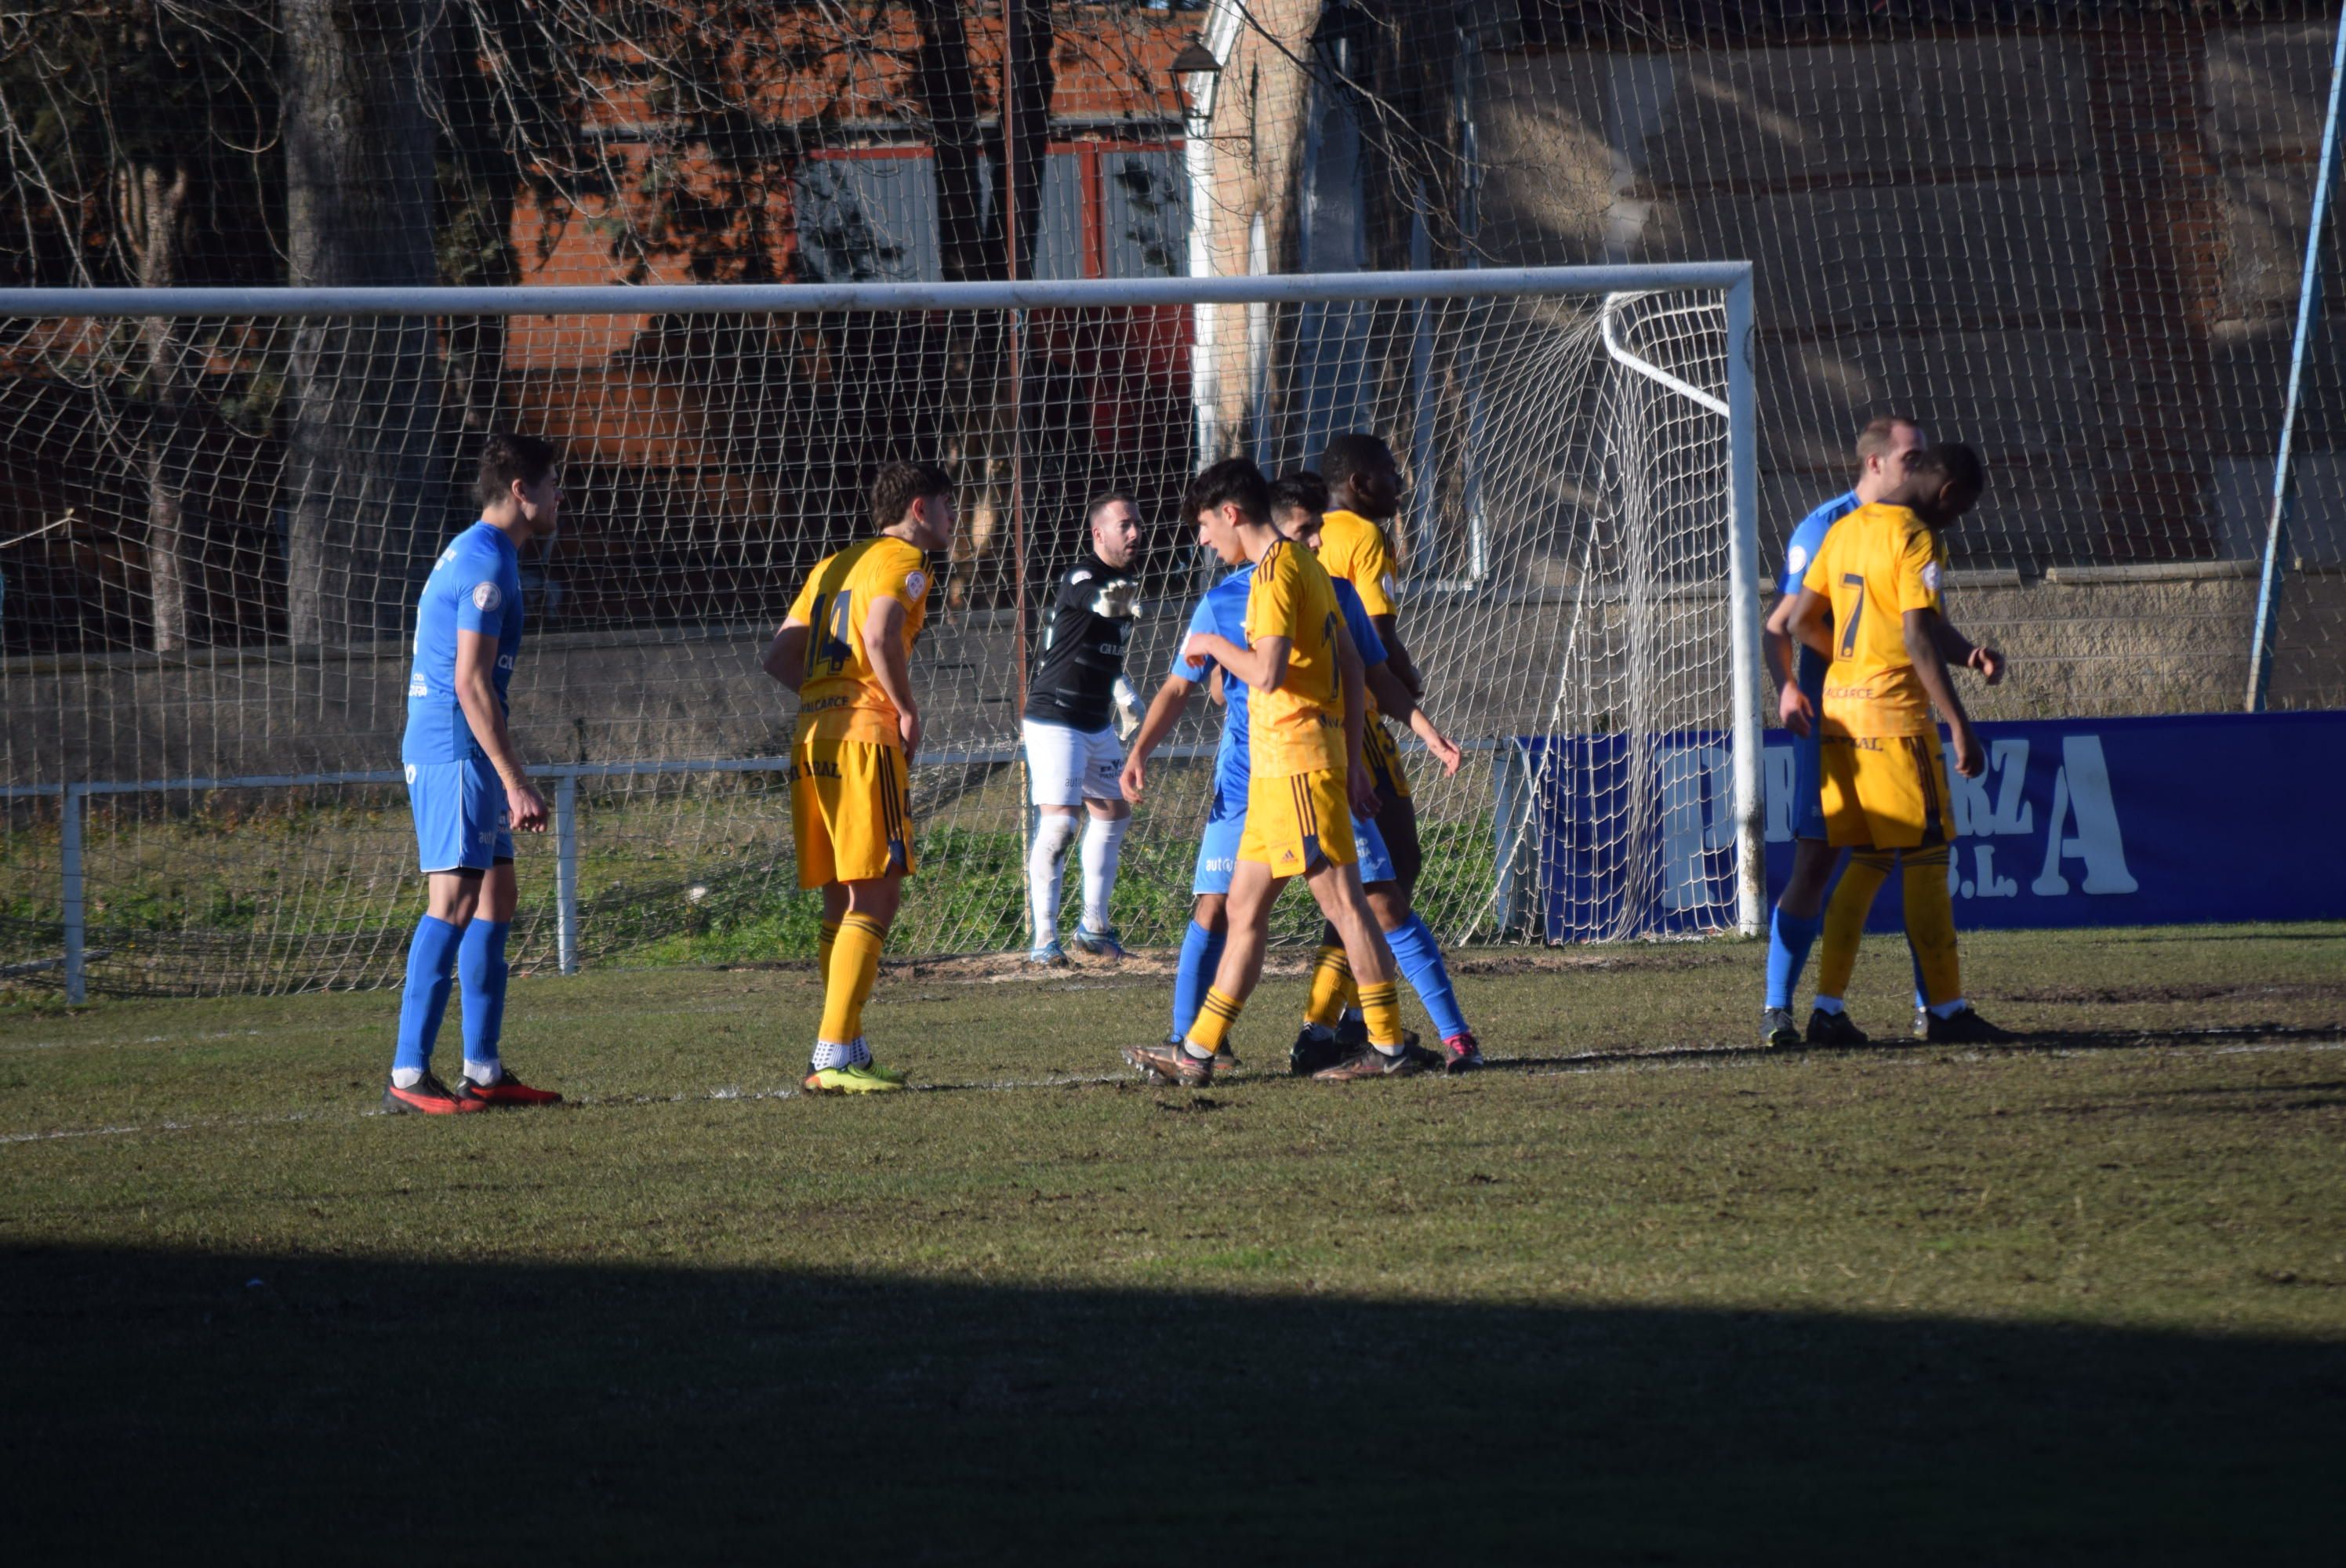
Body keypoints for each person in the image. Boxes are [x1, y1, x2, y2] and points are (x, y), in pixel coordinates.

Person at [1120, 473, 1464, 1075]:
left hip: (1299, 767)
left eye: (1203, 527)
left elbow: (1268, 672)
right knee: (1242, 913)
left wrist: (1212, 646)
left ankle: (1386, 1047)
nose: (1202, 541)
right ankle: (1197, 1050)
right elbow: (1352, 667)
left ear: (1230, 514)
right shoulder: (1308, 571)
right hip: (1277, 777)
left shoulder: (1280, 571)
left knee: (1349, 908)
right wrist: (1355, 760)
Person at [1764, 418, 2006, 1047]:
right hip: (1897, 722)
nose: (1961, 518)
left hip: (1843, 716)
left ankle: (1826, 1009)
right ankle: (1948, 1012)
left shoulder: (1844, 531)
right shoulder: (1915, 537)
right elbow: (1916, 635)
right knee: (1927, 855)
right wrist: (1960, 724)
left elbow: (1795, 622)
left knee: (1867, 859)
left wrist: (1856, 663)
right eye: (1966, 507)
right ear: (1948, 491)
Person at [1273, 474, 1480, 1074]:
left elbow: (1375, 673)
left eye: (1318, 529)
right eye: (1304, 532)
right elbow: (1213, 683)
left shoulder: (1337, 592)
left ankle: (1345, 1032)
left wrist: (1426, 729)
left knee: (1385, 886)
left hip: (1345, 756)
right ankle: (1210, 1040)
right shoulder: (1249, 595)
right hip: (1275, 771)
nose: (1317, 542)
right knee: (1231, 911)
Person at [761, 460, 957, 1093]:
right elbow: (879, 634)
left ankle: (850, 1047)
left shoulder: (833, 565)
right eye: (950, 507)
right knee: (877, 893)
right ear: (920, 510)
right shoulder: (907, 562)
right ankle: (830, 1056)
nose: (955, 521)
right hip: (863, 741)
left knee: (842, 898)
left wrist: (828, 694)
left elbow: (781, 653)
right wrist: (903, 708)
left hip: (812, 738)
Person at [386, 431, 566, 1114]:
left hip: (465, 749)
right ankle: (407, 1077)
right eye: (551, 483)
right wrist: (514, 780)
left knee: (497, 899)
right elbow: (470, 683)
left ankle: (484, 1071)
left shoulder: (483, 551)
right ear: (521, 491)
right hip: (455, 749)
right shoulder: (488, 564)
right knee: (454, 904)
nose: (558, 496)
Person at [1022, 492, 1144, 964]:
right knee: (1061, 824)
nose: (1134, 532)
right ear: (1098, 533)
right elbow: (1092, 601)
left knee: (1114, 813)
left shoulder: (1128, 580)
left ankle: (1093, 928)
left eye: (1137, 523)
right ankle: (1044, 942)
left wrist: (1122, 691)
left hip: (1095, 720)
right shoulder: (1082, 575)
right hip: (1056, 716)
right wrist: (1106, 604)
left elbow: (1104, 653)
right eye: (1124, 525)